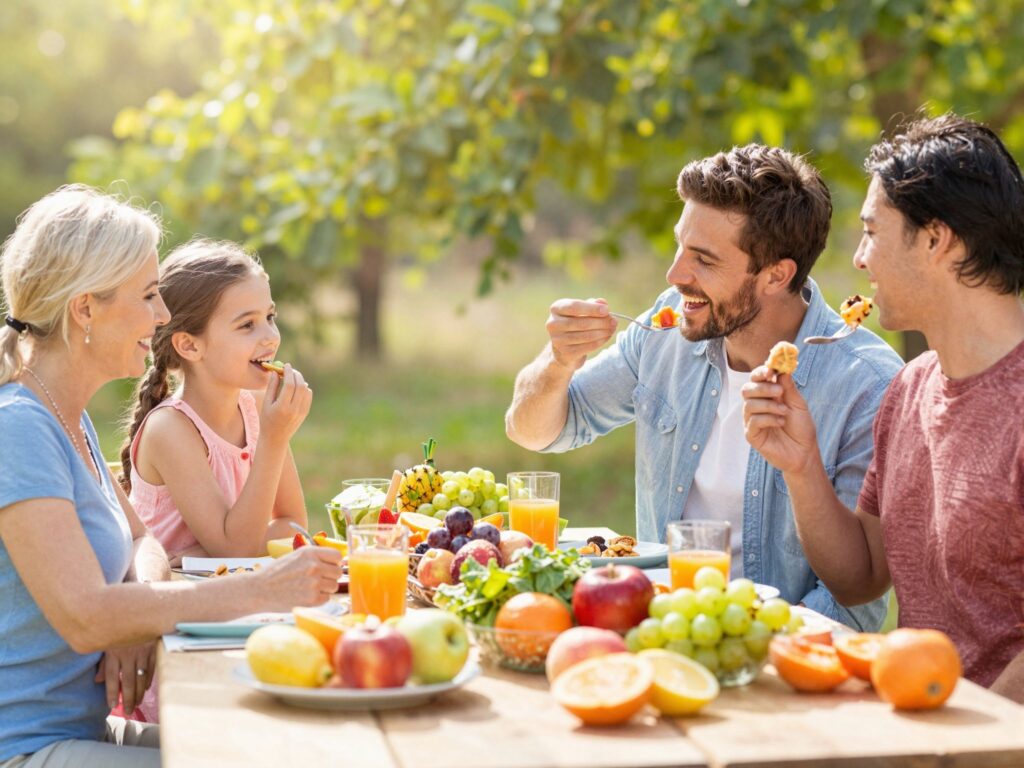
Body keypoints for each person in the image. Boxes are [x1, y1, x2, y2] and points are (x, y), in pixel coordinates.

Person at [0, 186, 343, 767]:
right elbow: (84, 617)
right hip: (26, 748)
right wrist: (262, 589)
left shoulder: (66, 415)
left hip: (86, 730)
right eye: (148, 295)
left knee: (290, 751)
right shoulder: (19, 427)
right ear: (85, 310)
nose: (161, 315)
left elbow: (144, 540)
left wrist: (136, 613)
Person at [506, 144, 903, 629]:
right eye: (680, 246)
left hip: (777, 650)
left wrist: (740, 645)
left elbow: (854, 602)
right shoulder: (666, 328)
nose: (675, 275)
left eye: (704, 260)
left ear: (776, 275)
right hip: (658, 628)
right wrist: (558, 361)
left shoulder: (868, 386)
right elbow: (534, 431)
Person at [742, 113, 1024, 700]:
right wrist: (801, 465)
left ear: (937, 239)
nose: (859, 259)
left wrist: (976, 733)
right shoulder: (910, 388)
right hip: (917, 717)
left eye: (872, 232)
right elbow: (862, 577)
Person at [121, 239, 312, 567]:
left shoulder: (256, 408)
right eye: (247, 325)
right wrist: (274, 438)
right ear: (190, 346)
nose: (271, 336)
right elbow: (236, 550)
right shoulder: (170, 429)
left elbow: (294, 527)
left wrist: (205, 553)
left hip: (228, 586)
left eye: (270, 317)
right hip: (174, 593)